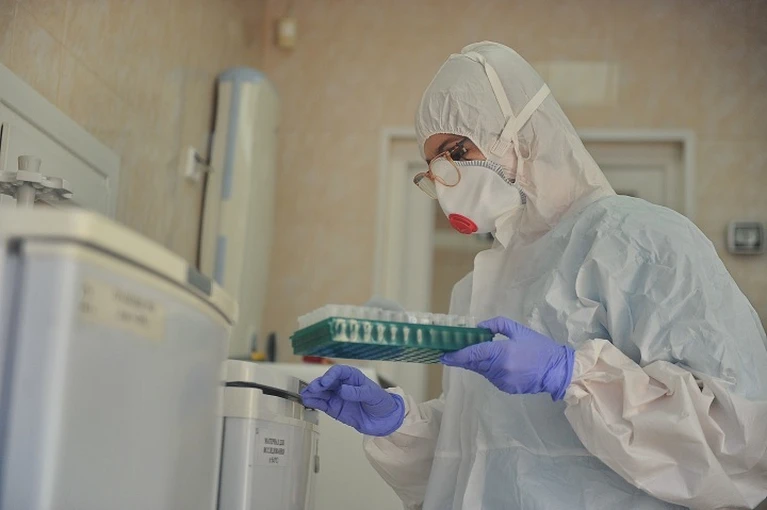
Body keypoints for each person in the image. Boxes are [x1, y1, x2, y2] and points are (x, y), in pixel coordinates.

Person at [300, 41, 767, 509]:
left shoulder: (638, 240)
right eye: (432, 168)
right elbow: (481, 453)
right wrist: (399, 426)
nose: (444, 180)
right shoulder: (480, 285)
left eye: (455, 150)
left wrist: (570, 375)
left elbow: (738, 442)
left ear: (520, 131)